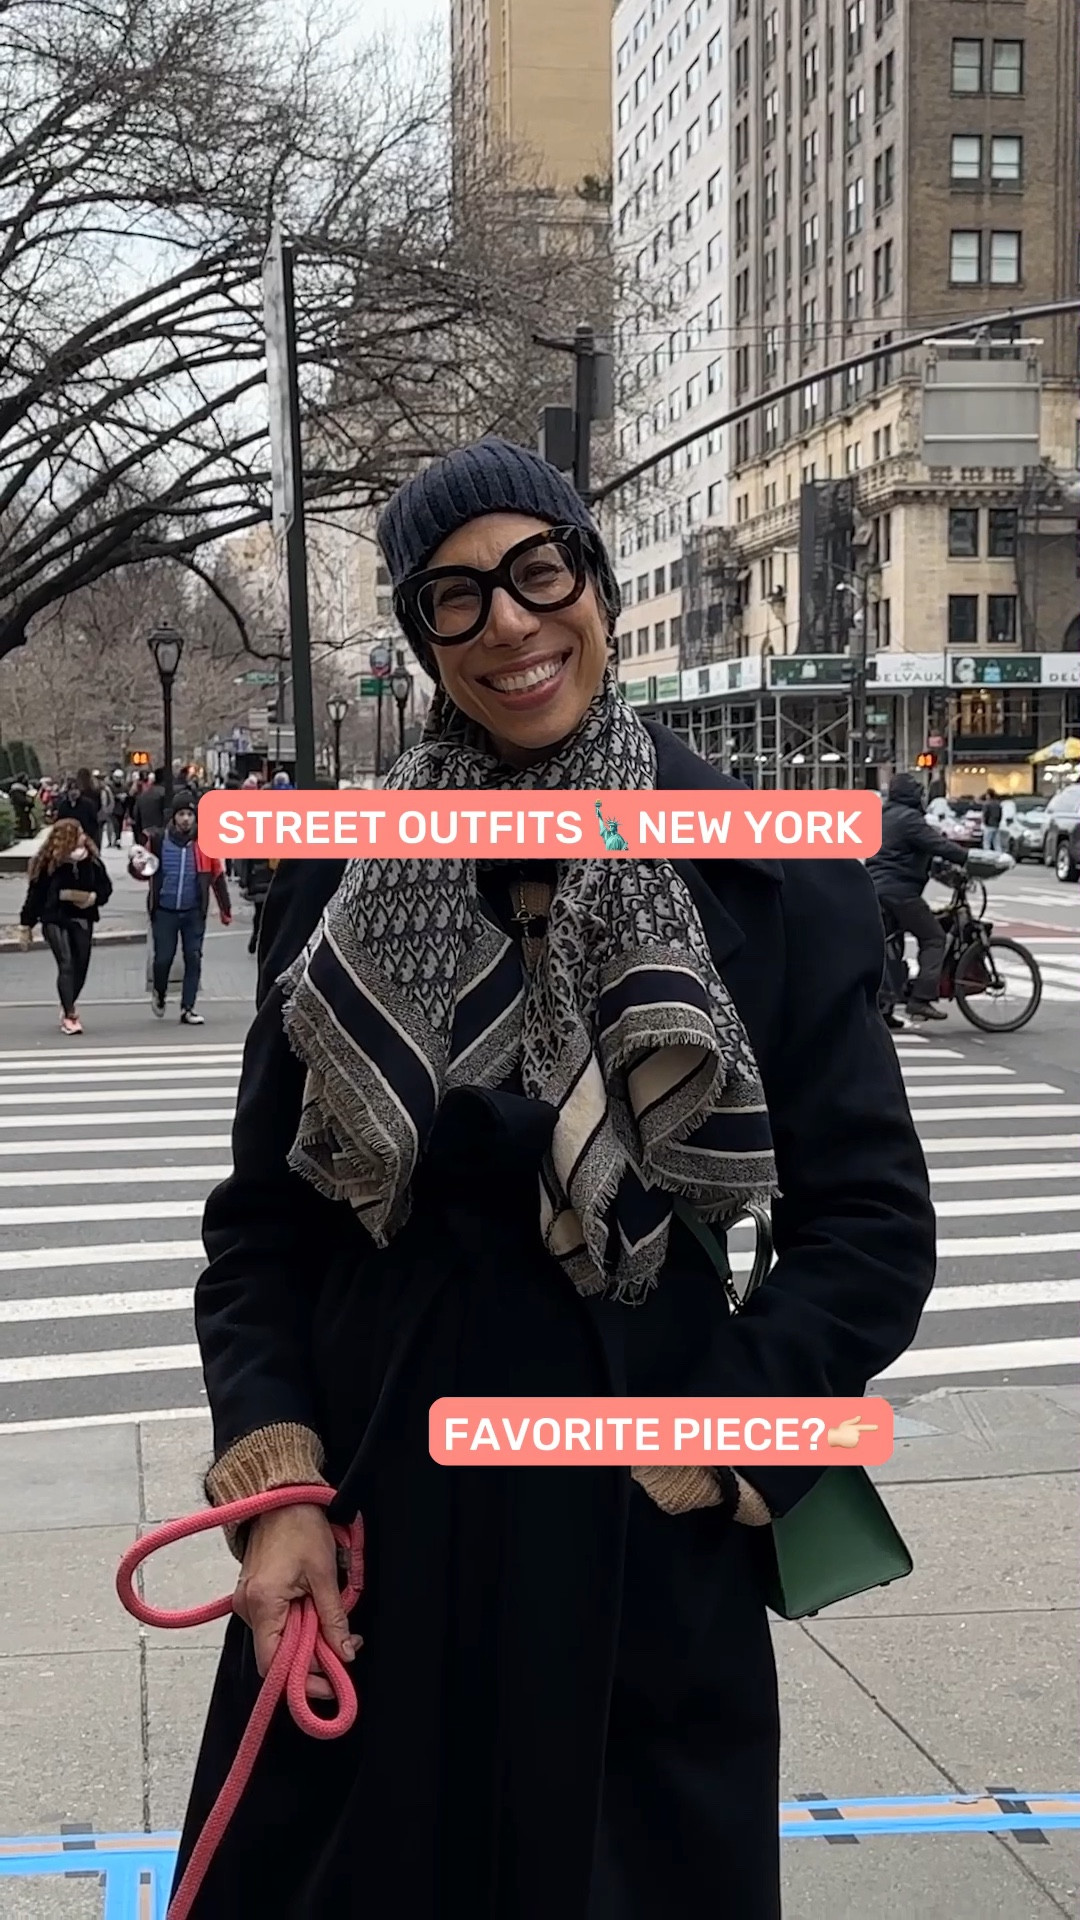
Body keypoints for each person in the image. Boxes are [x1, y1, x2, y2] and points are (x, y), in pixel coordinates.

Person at [175, 438, 936, 1920]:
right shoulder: (335, 874)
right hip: (371, 1517)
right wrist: (276, 1485)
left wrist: (735, 1429)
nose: (511, 625)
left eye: (540, 572)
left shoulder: (770, 874)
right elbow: (261, 1227)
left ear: (594, 578)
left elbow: (871, 1224)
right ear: (420, 637)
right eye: (455, 598)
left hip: (636, 1534)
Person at [866, 771, 972, 1024]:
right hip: (899, 891)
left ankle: (884, 1008)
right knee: (934, 937)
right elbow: (938, 845)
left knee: (890, 947)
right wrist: (968, 858)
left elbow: (907, 851)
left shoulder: (885, 815)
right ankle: (921, 999)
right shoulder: (909, 818)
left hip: (876, 889)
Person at [130, 790, 231, 1025]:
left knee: (193, 957)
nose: (186, 819)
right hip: (164, 910)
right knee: (163, 959)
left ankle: (188, 1007)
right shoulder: (158, 841)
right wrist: (136, 865)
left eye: (190, 814)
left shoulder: (205, 844)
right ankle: (160, 992)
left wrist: (225, 910)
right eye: (181, 814)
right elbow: (142, 871)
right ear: (174, 817)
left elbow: (217, 877)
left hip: (193, 911)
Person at [18, 819, 112, 1034]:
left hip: (83, 916)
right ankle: (70, 1014)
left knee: (81, 966)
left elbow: (105, 888)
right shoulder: (49, 863)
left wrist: (93, 898)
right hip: (55, 917)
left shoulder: (92, 861)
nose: (83, 837)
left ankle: (67, 1001)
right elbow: (35, 895)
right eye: (78, 833)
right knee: (66, 963)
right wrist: (26, 924)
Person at [237, 856, 278, 955]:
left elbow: (244, 863)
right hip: (272, 880)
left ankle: (256, 934)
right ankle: (265, 939)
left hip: (257, 879)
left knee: (260, 912)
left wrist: (244, 882)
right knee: (272, 914)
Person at [56, 768, 102, 846]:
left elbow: (94, 823)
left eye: (76, 789)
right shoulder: (63, 805)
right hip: (69, 839)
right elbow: (60, 821)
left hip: (86, 837)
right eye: (71, 789)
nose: (74, 792)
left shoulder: (88, 804)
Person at [981, 789, 1004, 853]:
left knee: (987, 843)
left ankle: (987, 855)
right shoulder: (998, 804)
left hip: (988, 826)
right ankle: (999, 855)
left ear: (988, 795)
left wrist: (985, 823)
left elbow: (985, 814)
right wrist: (998, 822)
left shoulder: (987, 804)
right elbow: (1000, 815)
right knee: (997, 843)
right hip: (996, 825)